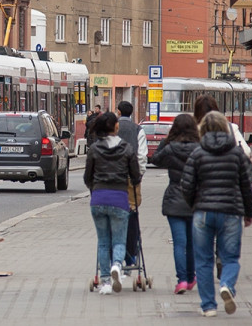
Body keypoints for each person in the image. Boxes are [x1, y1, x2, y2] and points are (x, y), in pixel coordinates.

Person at [181, 111, 252, 317]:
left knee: (203, 260)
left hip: (203, 212)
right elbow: (246, 185)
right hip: (231, 212)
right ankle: (226, 286)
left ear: (202, 129)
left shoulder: (197, 153)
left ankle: (208, 306)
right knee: (230, 257)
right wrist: (250, 212)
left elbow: (186, 185)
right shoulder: (236, 153)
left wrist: (193, 205)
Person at [84, 112, 141, 295]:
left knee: (103, 242)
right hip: (119, 199)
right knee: (118, 240)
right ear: (116, 127)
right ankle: (117, 265)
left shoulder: (93, 149)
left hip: (99, 199)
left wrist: (95, 187)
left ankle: (106, 282)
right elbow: (136, 176)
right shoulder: (127, 148)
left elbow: (87, 177)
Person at [151, 114, 200, 294]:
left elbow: (155, 159)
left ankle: (182, 281)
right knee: (192, 242)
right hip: (195, 199)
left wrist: (166, 142)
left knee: (179, 243)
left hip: (174, 198)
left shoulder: (170, 148)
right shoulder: (200, 148)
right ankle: (192, 276)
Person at [116, 101, 147, 269]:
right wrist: (139, 175)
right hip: (131, 178)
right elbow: (142, 156)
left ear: (119, 112)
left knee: (114, 216)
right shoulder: (137, 130)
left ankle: (114, 258)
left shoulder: (111, 128)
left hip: (112, 180)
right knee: (132, 213)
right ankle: (131, 255)